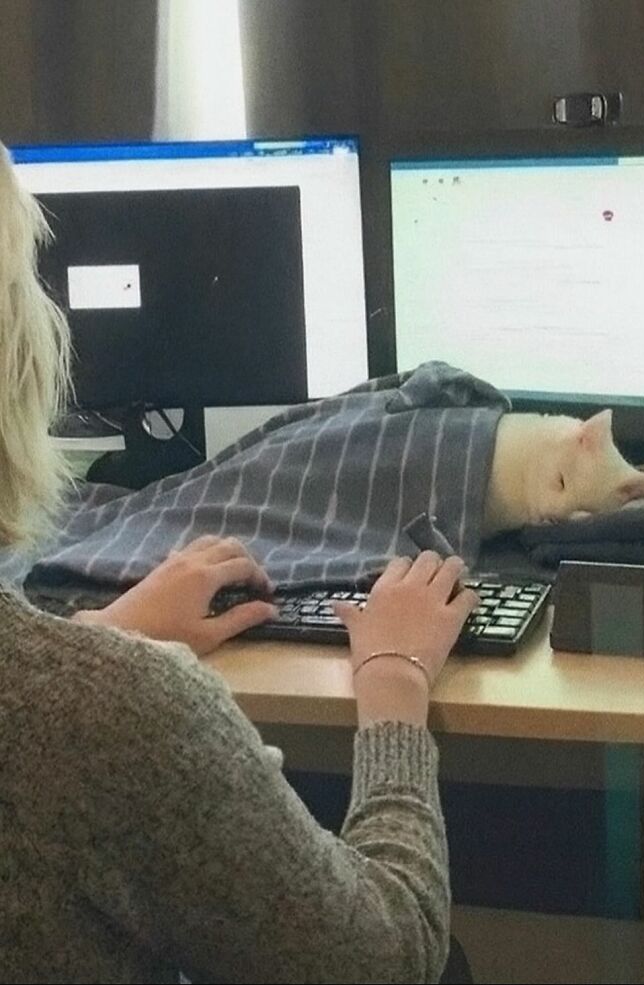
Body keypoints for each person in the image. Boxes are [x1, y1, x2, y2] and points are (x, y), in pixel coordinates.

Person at [0, 140, 479, 983]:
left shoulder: (85, 699)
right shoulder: (118, 717)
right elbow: (387, 956)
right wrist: (397, 681)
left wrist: (98, 634)